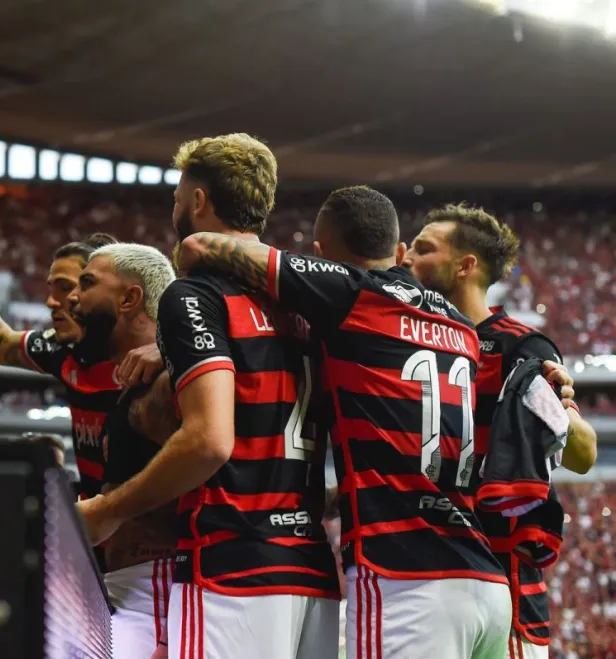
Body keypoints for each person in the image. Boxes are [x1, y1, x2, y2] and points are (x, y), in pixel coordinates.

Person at [175, 185, 518, 659]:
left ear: (322, 256)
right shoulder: (462, 326)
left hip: (407, 576)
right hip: (485, 581)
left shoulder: (352, 293)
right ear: (398, 251)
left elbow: (200, 245)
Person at [79, 134, 341, 658]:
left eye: (177, 194)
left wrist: (107, 509)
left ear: (198, 200)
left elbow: (208, 441)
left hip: (234, 568)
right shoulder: (305, 300)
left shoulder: (193, 294)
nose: (175, 205)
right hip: (312, 569)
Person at [402, 203, 598, 659]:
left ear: (465, 266)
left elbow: (584, 454)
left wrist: (554, 406)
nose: (406, 257)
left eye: (423, 249)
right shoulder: (407, 339)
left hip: (503, 590)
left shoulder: (518, 346)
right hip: (422, 579)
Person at [0, 232, 136, 502]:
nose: (51, 301)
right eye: (52, 289)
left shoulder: (155, 362)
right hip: (96, 524)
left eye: (65, 287)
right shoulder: (61, 349)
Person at [68, 242, 179, 659]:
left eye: (87, 283)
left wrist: (173, 630)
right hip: (136, 594)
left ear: (131, 298)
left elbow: (215, 475)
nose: (72, 298)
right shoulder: (138, 382)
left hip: (160, 597)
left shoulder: (166, 384)